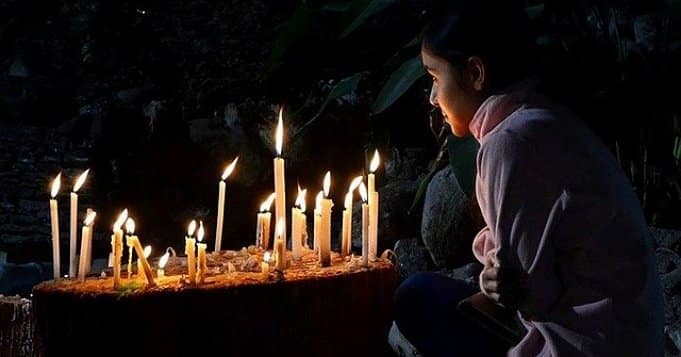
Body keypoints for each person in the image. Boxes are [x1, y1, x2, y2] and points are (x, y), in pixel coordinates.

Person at [393, 1, 665, 356]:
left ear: (475, 73)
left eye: (435, 78)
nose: (432, 98)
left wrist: (496, 282)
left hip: (585, 344)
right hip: (631, 337)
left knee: (417, 298)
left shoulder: (510, 143)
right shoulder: (540, 119)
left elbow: (527, 293)